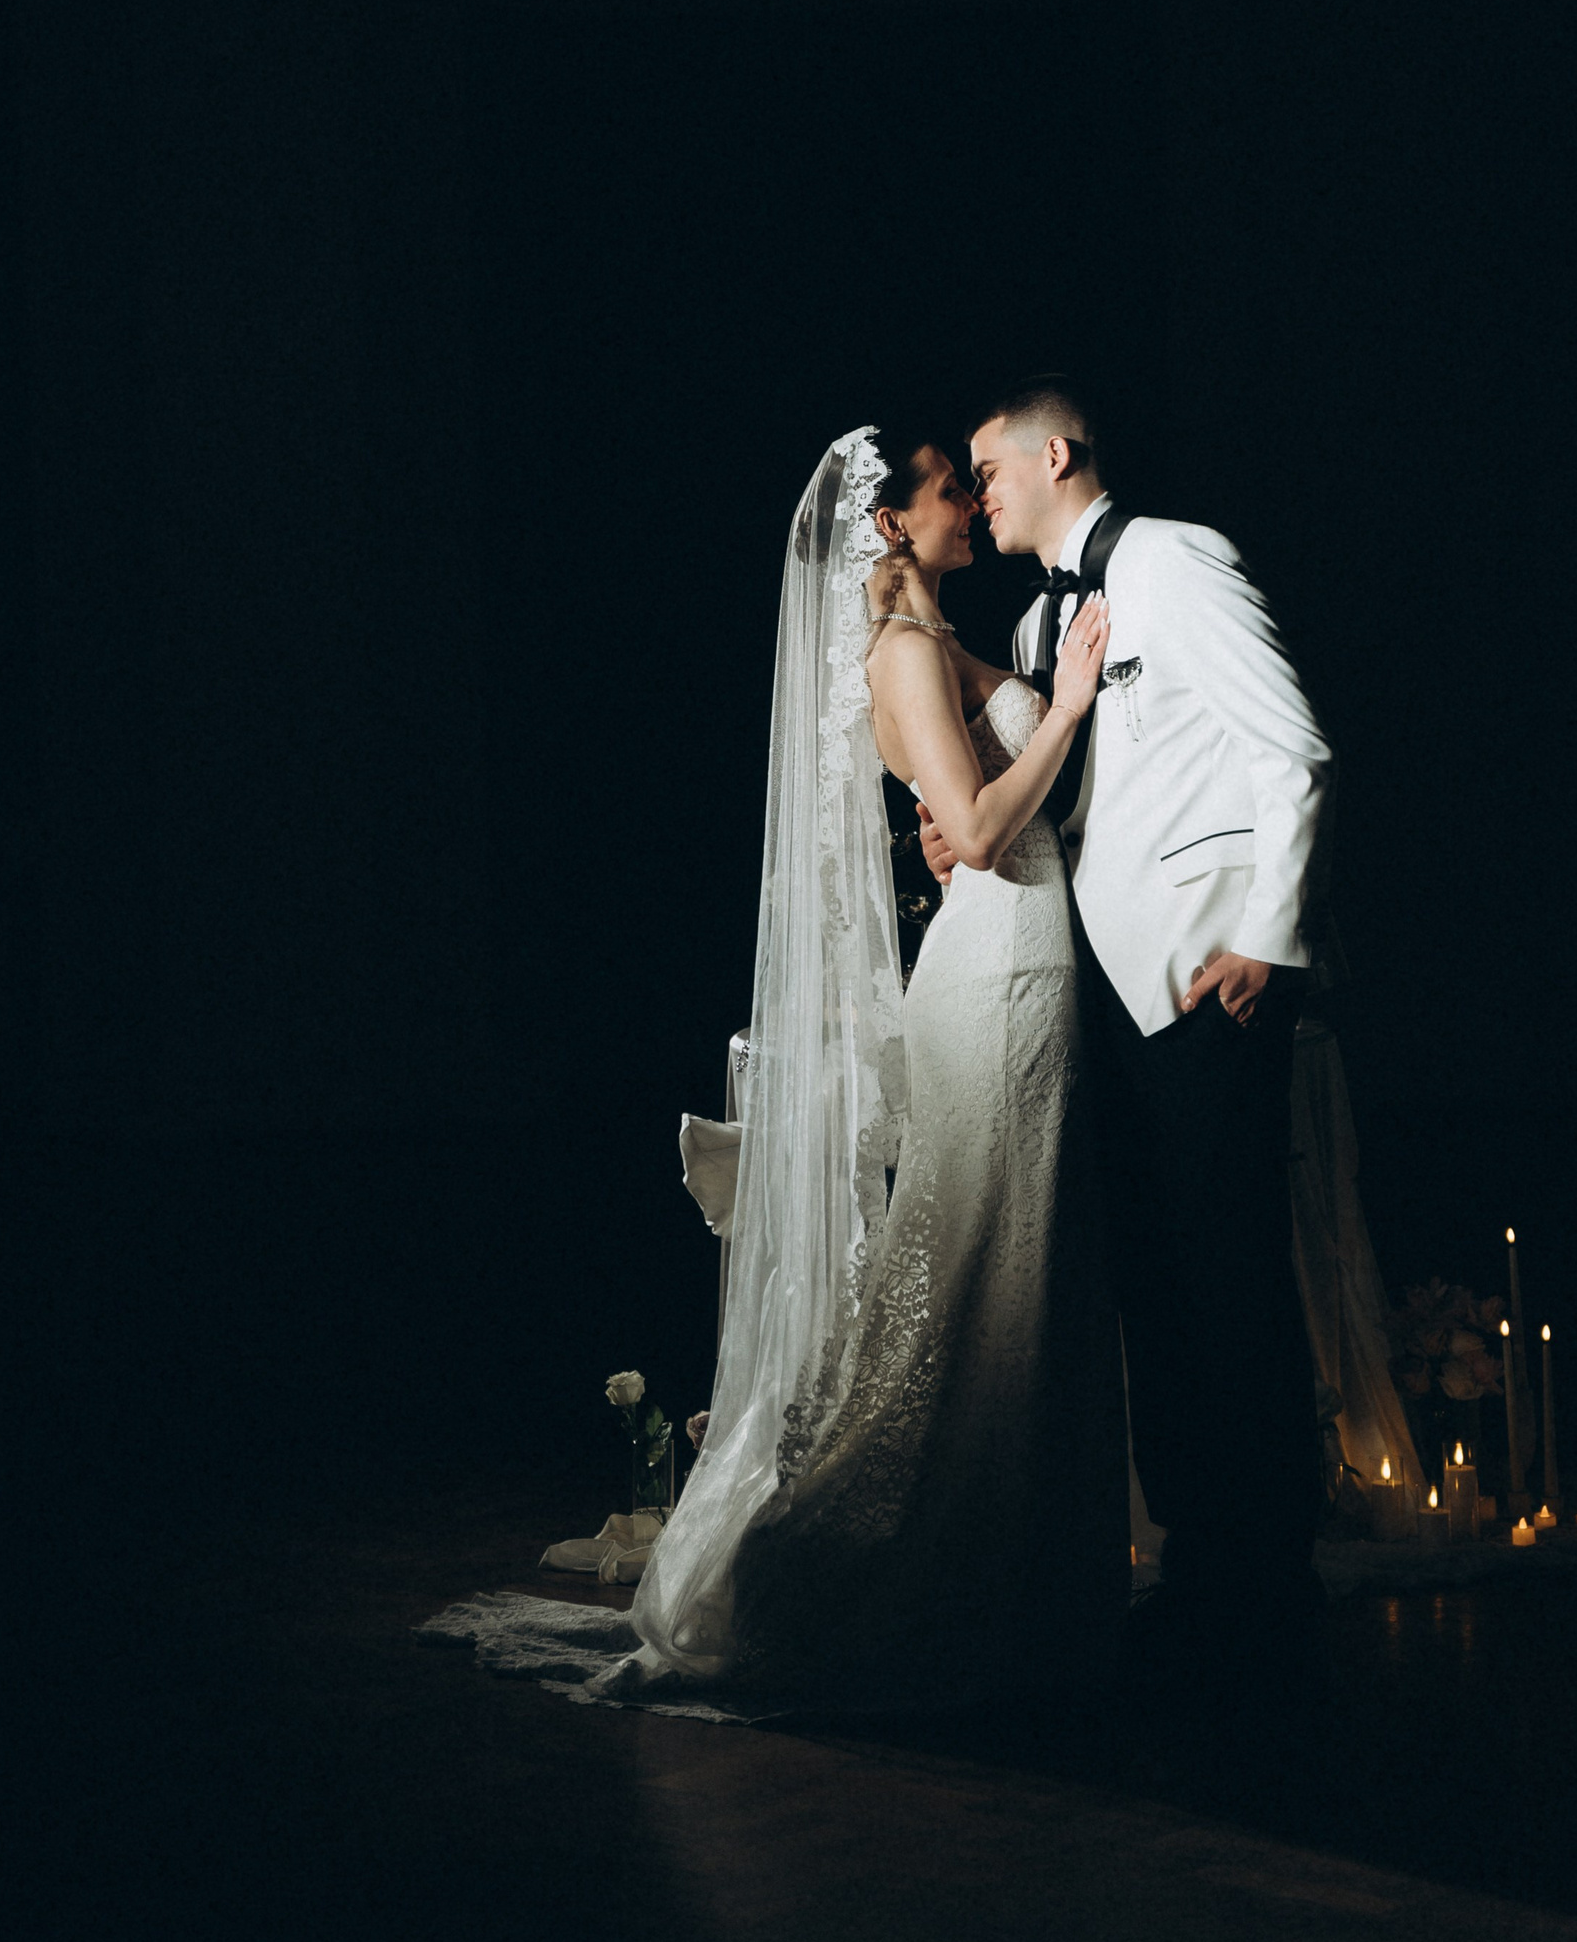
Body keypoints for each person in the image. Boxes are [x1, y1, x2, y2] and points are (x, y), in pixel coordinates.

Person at [420, 426, 1126, 1715]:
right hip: (1000, 970)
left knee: (1015, 1270)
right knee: (978, 1268)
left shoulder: (932, 640)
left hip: (1026, 955)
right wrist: (1068, 705)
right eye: (949, 487)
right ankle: (858, 1573)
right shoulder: (901, 650)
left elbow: (973, 807)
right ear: (894, 522)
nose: (971, 503)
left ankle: (1018, 1581)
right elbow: (975, 830)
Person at [925, 375, 1333, 1664]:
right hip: (1096, 989)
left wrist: (1269, 934)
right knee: (1154, 1285)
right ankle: (1201, 1568)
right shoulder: (1039, 620)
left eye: (990, 470)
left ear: (1055, 455)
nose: (979, 495)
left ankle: (1267, 1582)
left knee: (1230, 1280)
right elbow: (1072, 799)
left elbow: (1293, 749)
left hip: (1204, 978)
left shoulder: (1174, 560)